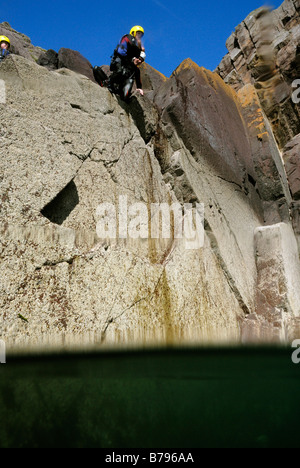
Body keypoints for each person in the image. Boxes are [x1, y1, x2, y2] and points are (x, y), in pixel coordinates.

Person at [107, 26, 146, 99]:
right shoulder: (128, 38)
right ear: (133, 33)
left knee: (130, 78)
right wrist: (133, 58)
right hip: (119, 60)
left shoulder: (136, 47)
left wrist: (139, 88)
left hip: (126, 64)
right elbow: (121, 51)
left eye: (141, 34)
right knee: (120, 71)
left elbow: (137, 76)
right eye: (138, 33)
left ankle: (123, 94)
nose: (139, 36)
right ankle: (109, 83)